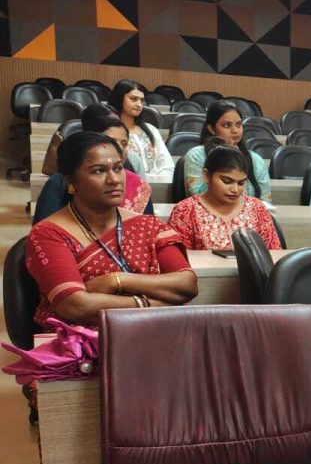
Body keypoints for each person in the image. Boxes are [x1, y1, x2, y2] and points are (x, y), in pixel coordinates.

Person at [25, 131, 197, 329]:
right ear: (71, 183)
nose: (114, 179)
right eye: (98, 171)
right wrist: (152, 306)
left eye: (118, 168)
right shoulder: (49, 234)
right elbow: (75, 306)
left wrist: (117, 280)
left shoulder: (149, 225)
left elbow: (187, 284)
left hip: (153, 334)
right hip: (81, 341)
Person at [33, 112, 153, 224]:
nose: (119, 149)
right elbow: (44, 226)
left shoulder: (138, 186)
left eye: (124, 143)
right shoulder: (60, 182)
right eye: (99, 171)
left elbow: (149, 232)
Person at [167, 145, 281, 251]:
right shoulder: (185, 211)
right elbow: (177, 259)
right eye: (227, 181)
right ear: (206, 176)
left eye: (241, 183)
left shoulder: (257, 208)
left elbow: (274, 253)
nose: (235, 189)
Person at [183, 101, 272, 201]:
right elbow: (197, 197)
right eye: (227, 125)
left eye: (238, 125)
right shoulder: (197, 155)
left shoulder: (255, 159)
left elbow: (266, 200)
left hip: (251, 211)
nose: (235, 130)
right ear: (211, 129)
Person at [107, 78, 174, 179]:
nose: (139, 104)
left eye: (141, 100)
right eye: (133, 99)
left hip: (158, 184)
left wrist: (159, 181)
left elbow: (167, 164)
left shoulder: (151, 130)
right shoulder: (110, 131)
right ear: (119, 99)